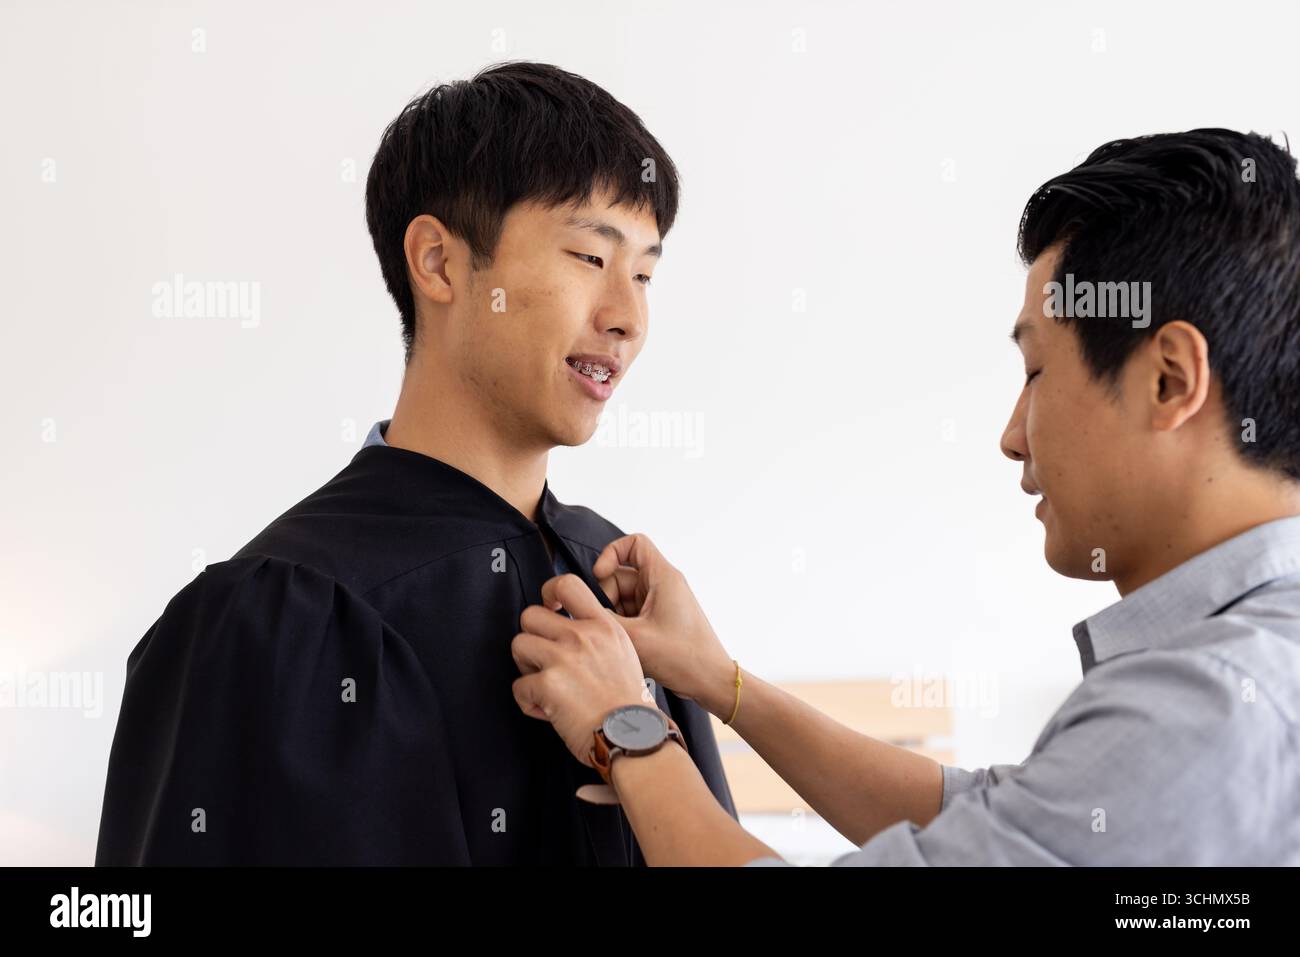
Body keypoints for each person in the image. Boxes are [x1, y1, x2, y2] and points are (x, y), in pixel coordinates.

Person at [512, 128, 1300, 865]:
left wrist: (632, 731)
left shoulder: (1210, 710)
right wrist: (720, 679)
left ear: (1169, 380)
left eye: (1035, 373)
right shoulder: (1253, 669)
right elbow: (989, 816)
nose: (1013, 435)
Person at [94, 61, 735, 866]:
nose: (627, 318)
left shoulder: (627, 601)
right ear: (437, 262)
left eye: (644, 274)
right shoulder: (275, 620)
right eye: (587, 258)